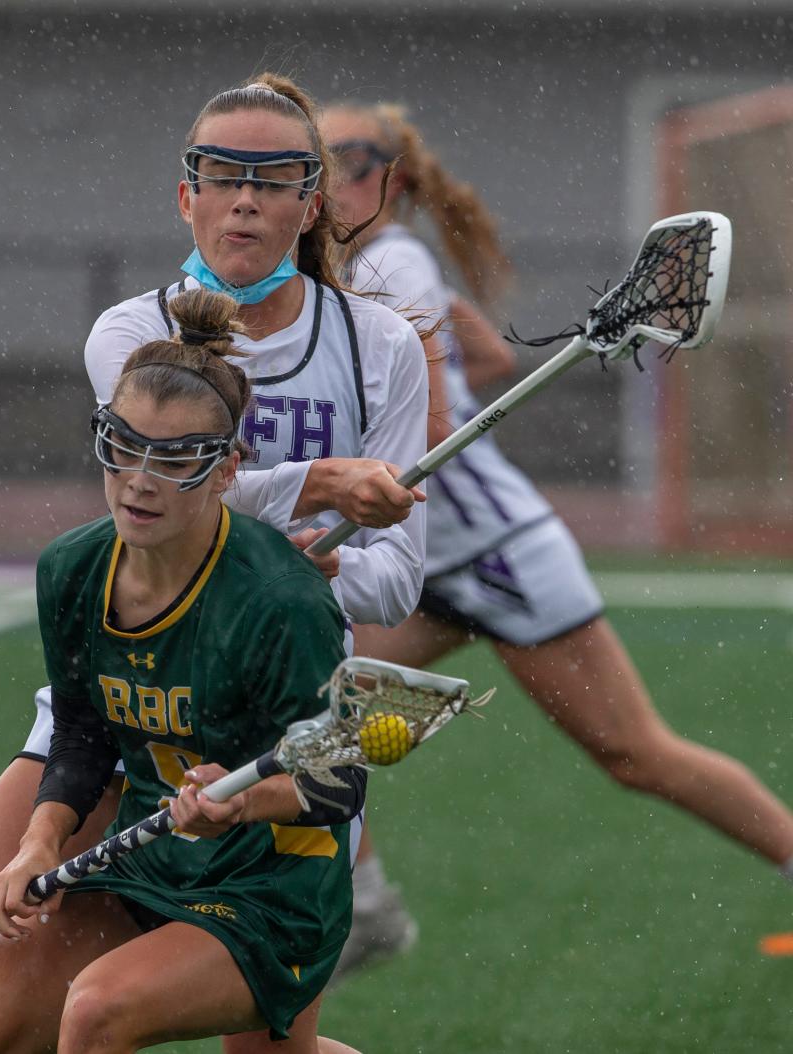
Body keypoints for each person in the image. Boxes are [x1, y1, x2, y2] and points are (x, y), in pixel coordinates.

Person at [0, 75, 428, 1054]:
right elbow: (163, 490)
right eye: (220, 175)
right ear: (186, 195)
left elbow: (396, 580)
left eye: (272, 178)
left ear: (312, 201)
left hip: (270, 714)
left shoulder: (377, 346)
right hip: (128, 698)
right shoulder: (130, 334)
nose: (243, 198)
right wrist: (316, 488)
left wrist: (306, 569)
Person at [319, 101, 793, 981]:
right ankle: (367, 907)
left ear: (388, 178)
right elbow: (480, 368)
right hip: (421, 563)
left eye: (338, 158)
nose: (315, 179)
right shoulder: (351, 274)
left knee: (635, 754)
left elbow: (414, 411)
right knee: (309, 708)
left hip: (498, 552)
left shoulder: (393, 263)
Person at [0, 288, 365, 1054]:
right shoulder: (73, 568)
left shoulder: (282, 599)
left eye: (175, 457)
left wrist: (236, 805)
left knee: (95, 1012)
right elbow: (81, 734)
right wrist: (41, 841)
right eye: (124, 444)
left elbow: (340, 783)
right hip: (151, 865)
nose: (140, 478)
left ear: (226, 471)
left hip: (271, 893)